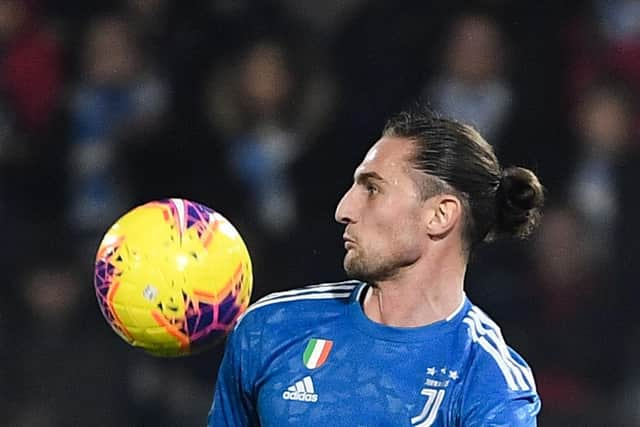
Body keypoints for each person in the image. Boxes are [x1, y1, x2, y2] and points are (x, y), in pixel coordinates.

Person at [208, 106, 544, 426]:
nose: (343, 209)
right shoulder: (269, 328)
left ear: (440, 215)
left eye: (372, 189)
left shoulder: (488, 382)